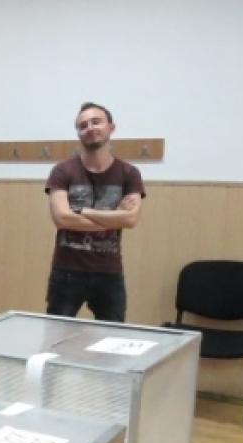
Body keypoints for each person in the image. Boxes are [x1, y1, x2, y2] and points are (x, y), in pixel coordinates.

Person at [44, 102, 145, 322]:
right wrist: (115, 216)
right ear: (78, 133)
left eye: (96, 122)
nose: (89, 128)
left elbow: (131, 219)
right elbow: (62, 218)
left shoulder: (129, 173)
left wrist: (82, 211)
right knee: (55, 334)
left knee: (113, 336)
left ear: (111, 127)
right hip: (66, 271)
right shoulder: (62, 171)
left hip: (109, 271)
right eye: (83, 125)